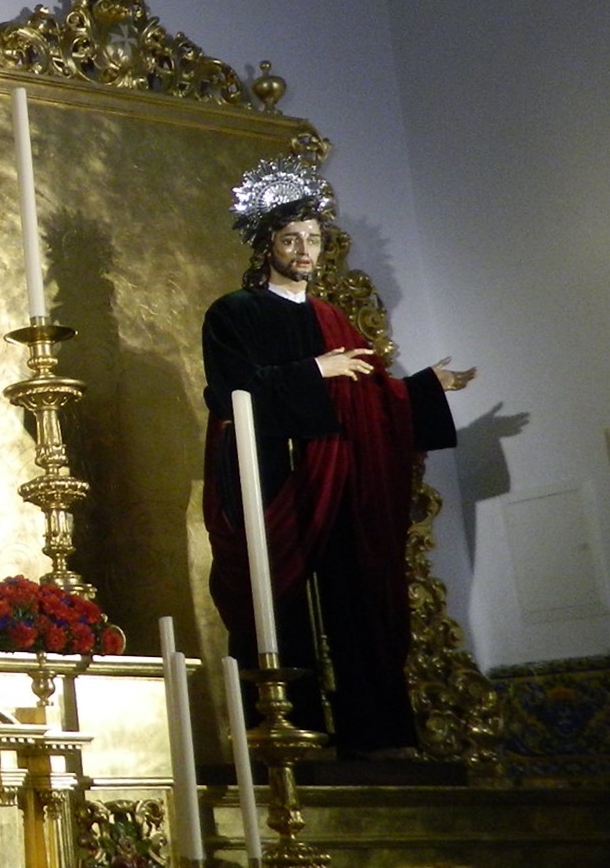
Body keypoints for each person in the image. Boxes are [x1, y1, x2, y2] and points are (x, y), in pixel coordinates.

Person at [201, 155, 475, 757]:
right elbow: (229, 392)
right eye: (291, 238)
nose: (304, 250)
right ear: (267, 245)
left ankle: (370, 732)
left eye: (314, 239)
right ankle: (290, 731)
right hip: (274, 477)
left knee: (355, 594)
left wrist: (423, 389)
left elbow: (370, 395)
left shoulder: (331, 317)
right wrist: (312, 372)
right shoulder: (234, 312)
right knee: (281, 606)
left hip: (340, 478)